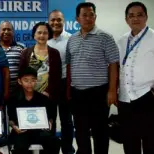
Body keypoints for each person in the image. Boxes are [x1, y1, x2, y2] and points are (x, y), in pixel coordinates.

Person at [66, 2, 119, 154]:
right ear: (77, 18)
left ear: (95, 16)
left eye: (91, 15)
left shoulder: (105, 37)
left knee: (100, 131)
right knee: (81, 132)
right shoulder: (72, 39)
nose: (88, 18)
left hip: (99, 92)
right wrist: (69, 90)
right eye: (84, 15)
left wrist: (112, 90)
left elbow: (114, 64)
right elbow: (70, 65)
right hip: (78, 93)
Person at [117, 2, 154, 154]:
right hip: (125, 100)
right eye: (131, 16)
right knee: (130, 142)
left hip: (147, 97)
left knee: (150, 141)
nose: (135, 19)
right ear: (126, 19)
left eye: (139, 15)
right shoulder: (121, 40)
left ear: (146, 17)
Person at [19, 22, 61, 133]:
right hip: (29, 96)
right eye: (39, 32)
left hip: (48, 97)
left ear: (49, 35)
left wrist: (48, 92)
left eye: (45, 33)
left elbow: (57, 76)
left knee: (47, 130)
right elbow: (21, 75)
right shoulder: (26, 53)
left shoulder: (54, 53)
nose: (42, 35)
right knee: (29, 126)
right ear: (34, 35)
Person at [7, 67, 60, 154]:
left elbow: (50, 116)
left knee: (54, 142)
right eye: (26, 80)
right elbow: (11, 119)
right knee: (20, 146)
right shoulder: (13, 99)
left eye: (33, 80)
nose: (30, 83)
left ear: (36, 81)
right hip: (21, 132)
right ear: (20, 81)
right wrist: (14, 127)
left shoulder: (43, 99)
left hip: (39, 131)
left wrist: (50, 122)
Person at [47, 10, 74, 154]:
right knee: (49, 119)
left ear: (64, 21)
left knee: (66, 120)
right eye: (52, 20)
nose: (55, 23)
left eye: (59, 20)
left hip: (65, 84)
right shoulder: (44, 38)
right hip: (48, 85)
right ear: (48, 21)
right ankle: (52, 149)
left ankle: (67, 149)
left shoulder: (71, 38)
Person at [0, 21, 24, 95]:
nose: (6, 32)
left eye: (9, 29)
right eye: (3, 29)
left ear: (13, 32)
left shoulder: (21, 47)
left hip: (17, 91)